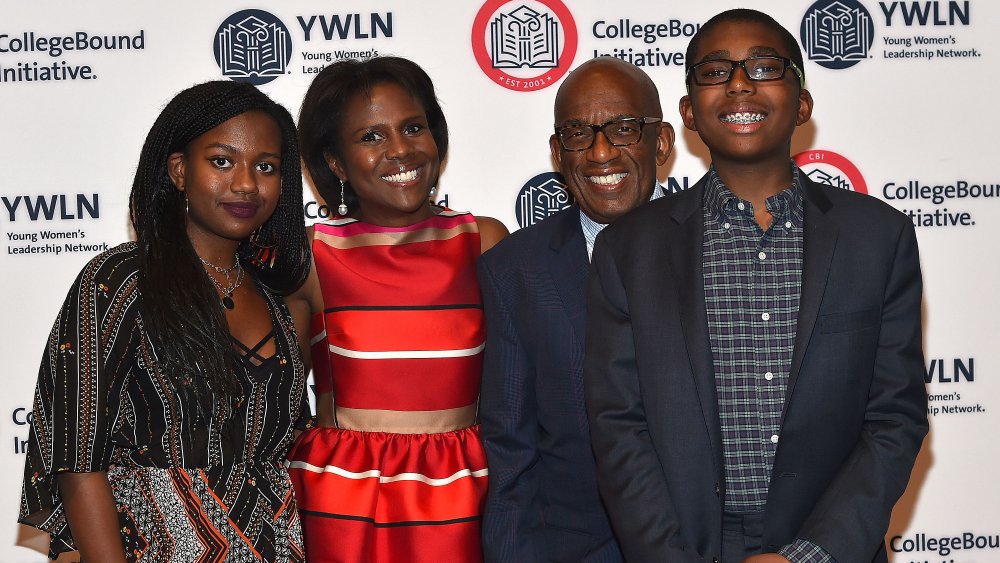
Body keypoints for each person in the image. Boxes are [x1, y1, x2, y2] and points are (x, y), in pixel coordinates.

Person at [584, 9, 928, 563]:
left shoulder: (878, 238)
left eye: (765, 67)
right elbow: (618, 427)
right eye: (715, 71)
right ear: (689, 113)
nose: (740, 83)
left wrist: (810, 554)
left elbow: (894, 417)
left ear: (803, 103)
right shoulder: (630, 250)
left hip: (827, 547)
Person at [18, 81, 312, 562]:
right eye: (222, 161)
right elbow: (75, 459)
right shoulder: (119, 281)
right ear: (179, 171)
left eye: (266, 166)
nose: (246, 183)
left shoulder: (281, 297)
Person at [285, 56, 508, 563]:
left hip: (466, 495)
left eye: (413, 128)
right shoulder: (312, 254)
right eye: (370, 137)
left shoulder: (484, 241)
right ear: (336, 162)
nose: (400, 150)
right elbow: (273, 403)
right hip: (345, 502)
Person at [477, 56, 674, 563]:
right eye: (579, 134)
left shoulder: (717, 251)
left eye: (623, 128)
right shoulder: (514, 271)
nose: (601, 152)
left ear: (663, 142)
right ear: (558, 154)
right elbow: (510, 454)